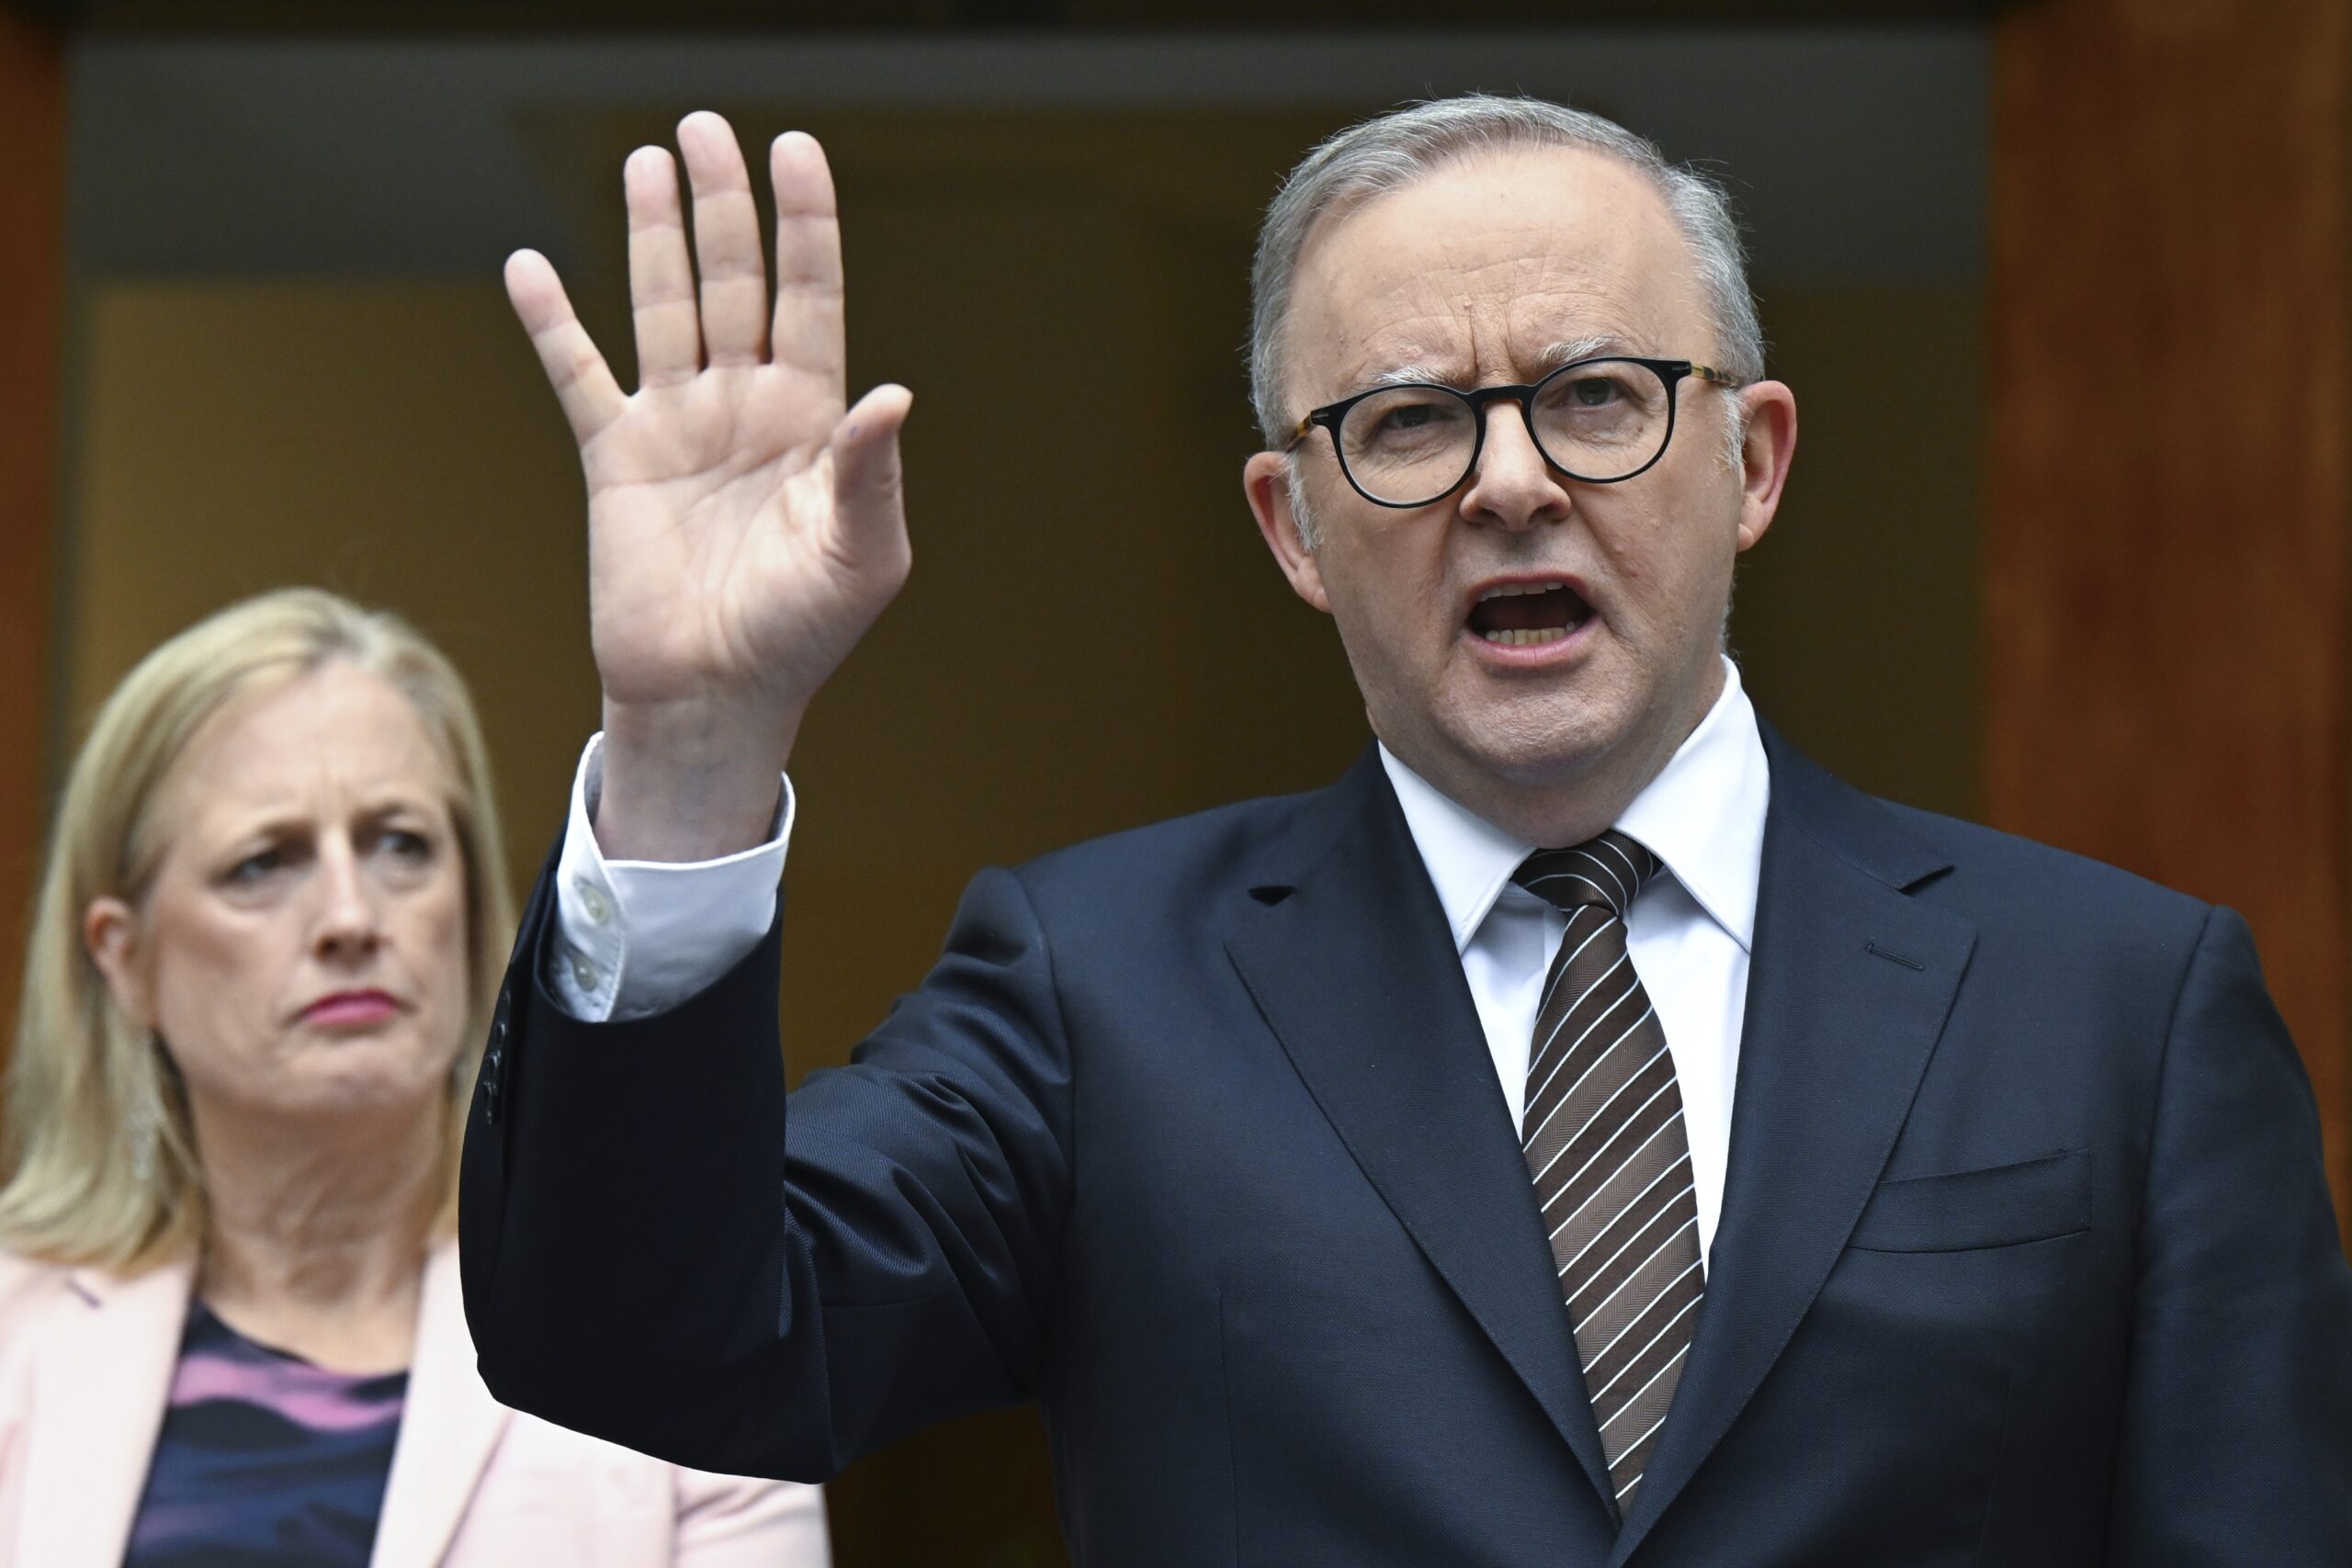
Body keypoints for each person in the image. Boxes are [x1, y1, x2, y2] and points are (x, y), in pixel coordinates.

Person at [462, 96, 2352, 1564]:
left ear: (1751, 460)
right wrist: (694, 747)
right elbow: (657, 1339)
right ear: (1291, 523)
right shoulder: (1094, 990)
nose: (1510, 481)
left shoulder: (2118, 1001)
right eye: (1405, 424)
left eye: (1596, 397)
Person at [0, 589, 831, 1566]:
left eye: (401, 844)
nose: (352, 917)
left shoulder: (673, 1339)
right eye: (264, 863)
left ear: (472, 910)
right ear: (125, 959)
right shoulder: (21, 1338)